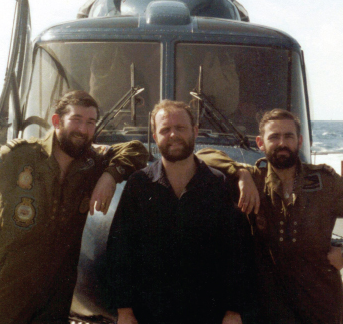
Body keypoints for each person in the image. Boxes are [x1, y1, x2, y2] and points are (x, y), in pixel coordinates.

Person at [0, 90, 149, 324]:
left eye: (90, 122)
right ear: (57, 121)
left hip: (55, 293)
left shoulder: (92, 162)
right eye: (76, 120)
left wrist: (109, 176)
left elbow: (136, 149)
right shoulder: (22, 155)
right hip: (9, 284)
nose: (83, 130)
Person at [197, 108, 343, 324]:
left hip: (320, 300)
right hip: (272, 302)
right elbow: (203, 155)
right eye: (274, 137)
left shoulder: (324, 182)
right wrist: (239, 172)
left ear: (299, 141)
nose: (282, 143)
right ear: (260, 143)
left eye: (288, 136)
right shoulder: (256, 179)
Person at [107, 100, 255, 324]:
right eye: (165, 130)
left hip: (206, 314)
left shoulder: (218, 183)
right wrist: (124, 310)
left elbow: (236, 252)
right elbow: (120, 249)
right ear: (155, 137)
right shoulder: (139, 184)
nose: (173, 135)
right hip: (150, 313)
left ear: (195, 132)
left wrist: (233, 311)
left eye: (181, 128)